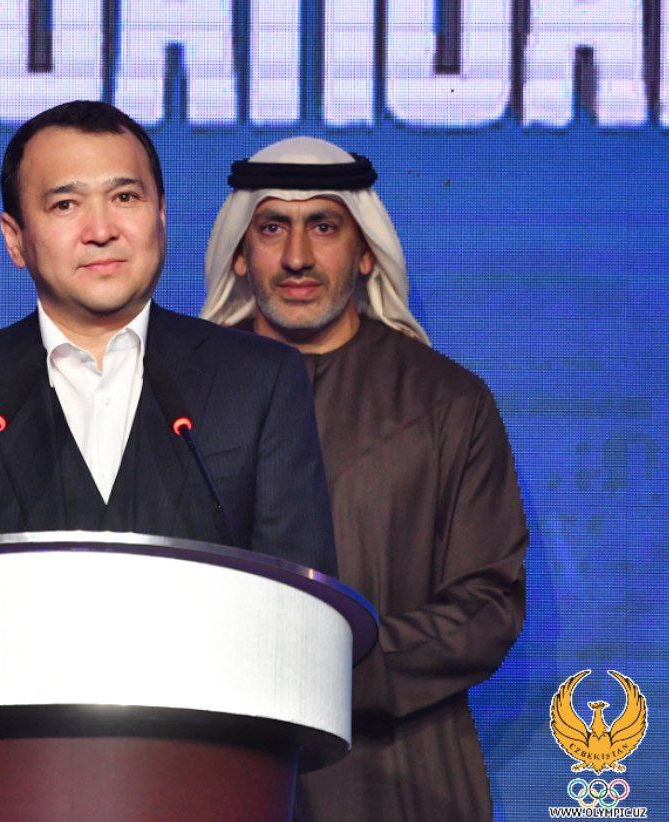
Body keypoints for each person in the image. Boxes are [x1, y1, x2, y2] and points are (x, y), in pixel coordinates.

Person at [201, 136, 528, 821]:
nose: (297, 257)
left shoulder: (447, 402)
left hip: (398, 770)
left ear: (366, 251)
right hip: (219, 763)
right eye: (272, 228)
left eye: (324, 226)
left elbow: (488, 604)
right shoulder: (180, 400)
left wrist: (335, 668)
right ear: (239, 254)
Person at [0, 101, 335, 579]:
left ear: (161, 214)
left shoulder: (261, 381)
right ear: (15, 239)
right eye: (65, 205)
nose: (101, 231)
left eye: (125, 198)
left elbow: (301, 601)